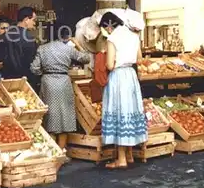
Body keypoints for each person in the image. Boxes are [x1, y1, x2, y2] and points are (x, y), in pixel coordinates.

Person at [30, 23, 90, 149]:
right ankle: (62, 151)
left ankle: (52, 151)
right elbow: (86, 58)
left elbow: (34, 68)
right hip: (63, 82)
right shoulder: (68, 49)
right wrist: (78, 44)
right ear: (66, 36)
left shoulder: (42, 48)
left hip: (48, 83)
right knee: (65, 117)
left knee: (50, 117)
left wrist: (44, 73)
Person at [99, 12, 147, 169]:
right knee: (129, 111)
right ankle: (129, 154)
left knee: (119, 112)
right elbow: (139, 59)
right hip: (130, 75)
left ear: (108, 26)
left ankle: (121, 160)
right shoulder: (134, 36)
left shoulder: (112, 39)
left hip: (118, 77)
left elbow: (110, 65)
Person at [0, 7, 39, 89]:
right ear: (26, 19)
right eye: (33, 20)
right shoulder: (30, 39)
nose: (34, 23)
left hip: (7, 81)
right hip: (25, 82)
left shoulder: (4, 36)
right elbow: (33, 63)